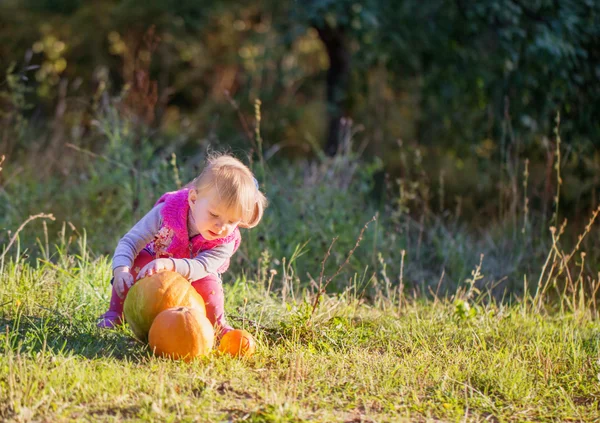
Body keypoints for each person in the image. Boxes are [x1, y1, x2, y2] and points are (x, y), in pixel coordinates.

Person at [96, 154, 267, 338]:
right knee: (137, 261)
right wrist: (121, 269)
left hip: (196, 271)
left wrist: (173, 266)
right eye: (214, 215)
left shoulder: (225, 241)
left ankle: (216, 326)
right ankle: (115, 312)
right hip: (157, 260)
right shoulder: (167, 211)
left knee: (211, 286)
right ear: (193, 199)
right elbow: (131, 241)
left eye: (232, 221)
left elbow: (202, 266)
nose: (221, 226)